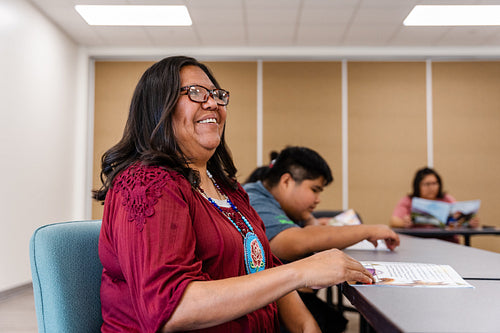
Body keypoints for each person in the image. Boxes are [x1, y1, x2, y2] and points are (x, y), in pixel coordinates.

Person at [93, 56, 375, 333]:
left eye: (217, 94)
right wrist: (300, 272)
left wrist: (306, 325)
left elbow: (263, 267)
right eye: (195, 93)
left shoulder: (229, 189)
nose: (213, 103)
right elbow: (172, 309)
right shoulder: (148, 182)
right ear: (158, 107)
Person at [243, 146, 400, 333]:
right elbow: (290, 243)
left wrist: (309, 219)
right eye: (315, 189)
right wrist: (367, 230)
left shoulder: (281, 204)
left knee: (333, 320)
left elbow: (309, 229)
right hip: (264, 306)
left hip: (285, 296)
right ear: (286, 181)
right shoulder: (253, 199)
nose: (318, 200)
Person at [390, 167, 480, 240]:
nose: (431, 187)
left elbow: (457, 217)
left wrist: (470, 223)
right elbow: (394, 221)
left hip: (447, 242)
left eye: (435, 183)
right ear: (417, 185)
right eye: (427, 184)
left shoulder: (446, 199)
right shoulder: (409, 200)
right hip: (418, 242)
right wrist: (403, 222)